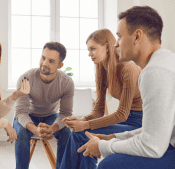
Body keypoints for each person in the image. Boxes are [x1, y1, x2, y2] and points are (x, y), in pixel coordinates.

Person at [75, 6, 175, 169]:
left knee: (110, 164)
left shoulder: (154, 72)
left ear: (137, 36)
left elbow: (152, 146)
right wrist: (113, 138)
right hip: (166, 141)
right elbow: (160, 132)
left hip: (146, 131)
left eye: (120, 36)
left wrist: (103, 146)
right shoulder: (165, 63)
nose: (116, 43)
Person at [59, 28, 143, 169]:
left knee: (83, 134)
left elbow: (122, 115)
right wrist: (82, 120)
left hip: (139, 123)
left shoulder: (128, 68)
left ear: (107, 47)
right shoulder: (102, 68)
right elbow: (99, 110)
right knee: (78, 133)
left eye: (93, 49)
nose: (89, 54)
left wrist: (85, 125)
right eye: (88, 49)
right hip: (126, 120)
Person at [14, 42, 74, 169]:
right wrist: (36, 130)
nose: (45, 63)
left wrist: (52, 129)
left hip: (51, 116)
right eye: (43, 58)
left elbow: (65, 113)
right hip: (28, 115)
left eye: (51, 61)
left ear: (60, 65)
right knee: (21, 134)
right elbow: (20, 112)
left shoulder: (66, 83)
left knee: (66, 133)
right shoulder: (26, 78)